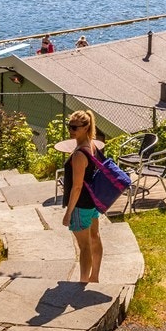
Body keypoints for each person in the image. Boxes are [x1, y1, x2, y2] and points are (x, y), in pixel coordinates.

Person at [60, 110, 104, 282]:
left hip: (80, 205)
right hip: (92, 201)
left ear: (86, 127)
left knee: (84, 246)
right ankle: (94, 277)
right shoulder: (92, 145)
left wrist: (68, 213)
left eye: (75, 127)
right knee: (95, 237)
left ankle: (83, 282)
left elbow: (77, 187)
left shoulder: (79, 154)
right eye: (69, 126)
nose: (71, 130)